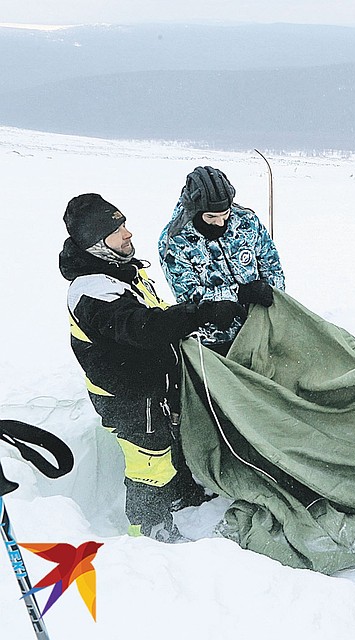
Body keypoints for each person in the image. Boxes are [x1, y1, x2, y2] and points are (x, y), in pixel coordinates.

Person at [59, 193, 246, 542]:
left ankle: (182, 496)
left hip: (152, 385)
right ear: (98, 244)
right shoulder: (92, 293)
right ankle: (148, 531)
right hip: (127, 396)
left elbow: (156, 314)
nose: (128, 233)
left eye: (124, 224)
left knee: (171, 441)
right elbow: (146, 327)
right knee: (150, 463)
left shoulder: (121, 273)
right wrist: (201, 313)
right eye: (117, 230)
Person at [159, 165, 285, 355]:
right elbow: (189, 295)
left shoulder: (247, 221)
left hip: (259, 328)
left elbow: (272, 266)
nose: (220, 222)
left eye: (225, 214)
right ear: (194, 210)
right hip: (213, 341)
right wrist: (238, 294)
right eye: (211, 216)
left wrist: (268, 292)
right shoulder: (175, 240)